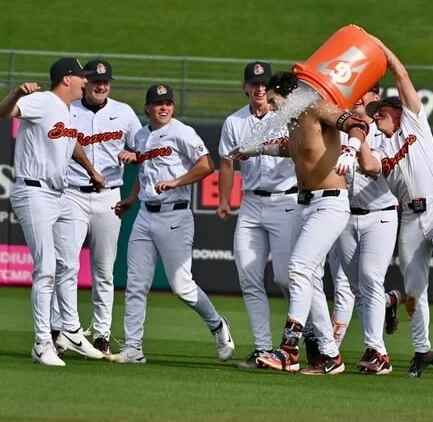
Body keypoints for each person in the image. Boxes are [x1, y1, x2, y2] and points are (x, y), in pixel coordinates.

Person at [231, 70, 371, 375]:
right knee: (309, 281)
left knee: (297, 268)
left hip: (330, 202)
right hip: (305, 204)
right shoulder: (293, 121)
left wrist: (351, 148)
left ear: (287, 94)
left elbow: (358, 124)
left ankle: (289, 350)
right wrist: (253, 149)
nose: (269, 107)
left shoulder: (316, 106)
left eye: (273, 100)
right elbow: (291, 150)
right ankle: (331, 357)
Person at [360, 36, 433, 377]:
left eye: (380, 111)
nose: (376, 115)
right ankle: (422, 350)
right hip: (410, 215)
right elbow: (368, 168)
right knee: (414, 290)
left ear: (396, 110)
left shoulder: (414, 121)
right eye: (373, 113)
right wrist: (358, 130)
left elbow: (401, 74)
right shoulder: (376, 146)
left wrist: (381, 49)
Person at [112, 84, 235, 364]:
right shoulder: (142, 135)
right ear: (147, 108)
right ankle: (133, 348)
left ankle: (217, 324)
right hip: (145, 214)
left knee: (181, 286)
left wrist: (176, 182)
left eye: (168, 102)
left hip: (175, 215)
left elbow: (207, 165)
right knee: (135, 284)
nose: (164, 107)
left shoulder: (181, 132)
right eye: (158, 103)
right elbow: (144, 175)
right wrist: (131, 198)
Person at [0, 58, 106, 366]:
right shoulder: (43, 101)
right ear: (66, 79)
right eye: (81, 77)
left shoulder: (68, 110)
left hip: (58, 194)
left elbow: (71, 143)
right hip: (33, 190)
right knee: (46, 267)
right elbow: (4, 112)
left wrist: (91, 170)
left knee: (69, 262)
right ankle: (41, 343)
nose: (86, 81)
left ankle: (70, 330)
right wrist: (17, 94)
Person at [48, 59, 141, 357]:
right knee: (65, 265)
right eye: (95, 80)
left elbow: (145, 147)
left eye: (106, 81)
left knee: (104, 269)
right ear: (84, 81)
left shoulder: (123, 112)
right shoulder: (69, 109)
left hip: (109, 195)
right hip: (71, 194)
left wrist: (134, 152)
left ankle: (101, 333)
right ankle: (58, 330)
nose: (101, 85)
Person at [217, 61, 299, 369]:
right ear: (245, 87)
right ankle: (263, 347)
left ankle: (303, 338)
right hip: (251, 203)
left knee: (284, 276)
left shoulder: (287, 115)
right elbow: (226, 162)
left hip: (285, 200)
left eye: (264, 83)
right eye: (254, 83)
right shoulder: (234, 121)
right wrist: (225, 199)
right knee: (249, 276)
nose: (259, 88)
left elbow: (301, 150)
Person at [335, 82, 401, 374]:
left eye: (368, 93)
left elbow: (374, 168)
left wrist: (356, 141)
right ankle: (387, 305)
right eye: (357, 92)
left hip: (381, 214)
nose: (360, 97)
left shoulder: (387, 132)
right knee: (355, 286)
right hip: (347, 215)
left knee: (370, 279)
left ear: (376, 98)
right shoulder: (340, 128)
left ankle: (378, 352)